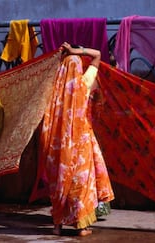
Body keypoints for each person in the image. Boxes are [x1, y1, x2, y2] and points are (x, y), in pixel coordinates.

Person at [40, 42, 115, 236]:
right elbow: (97, 55)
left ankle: (57, 226)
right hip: (81, 142)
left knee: (60, 183)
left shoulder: (53, 90)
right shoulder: (84, 83)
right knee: (80, 183)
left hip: (58, 145)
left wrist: (63, 57)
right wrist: (77, 52)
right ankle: (81, 227)